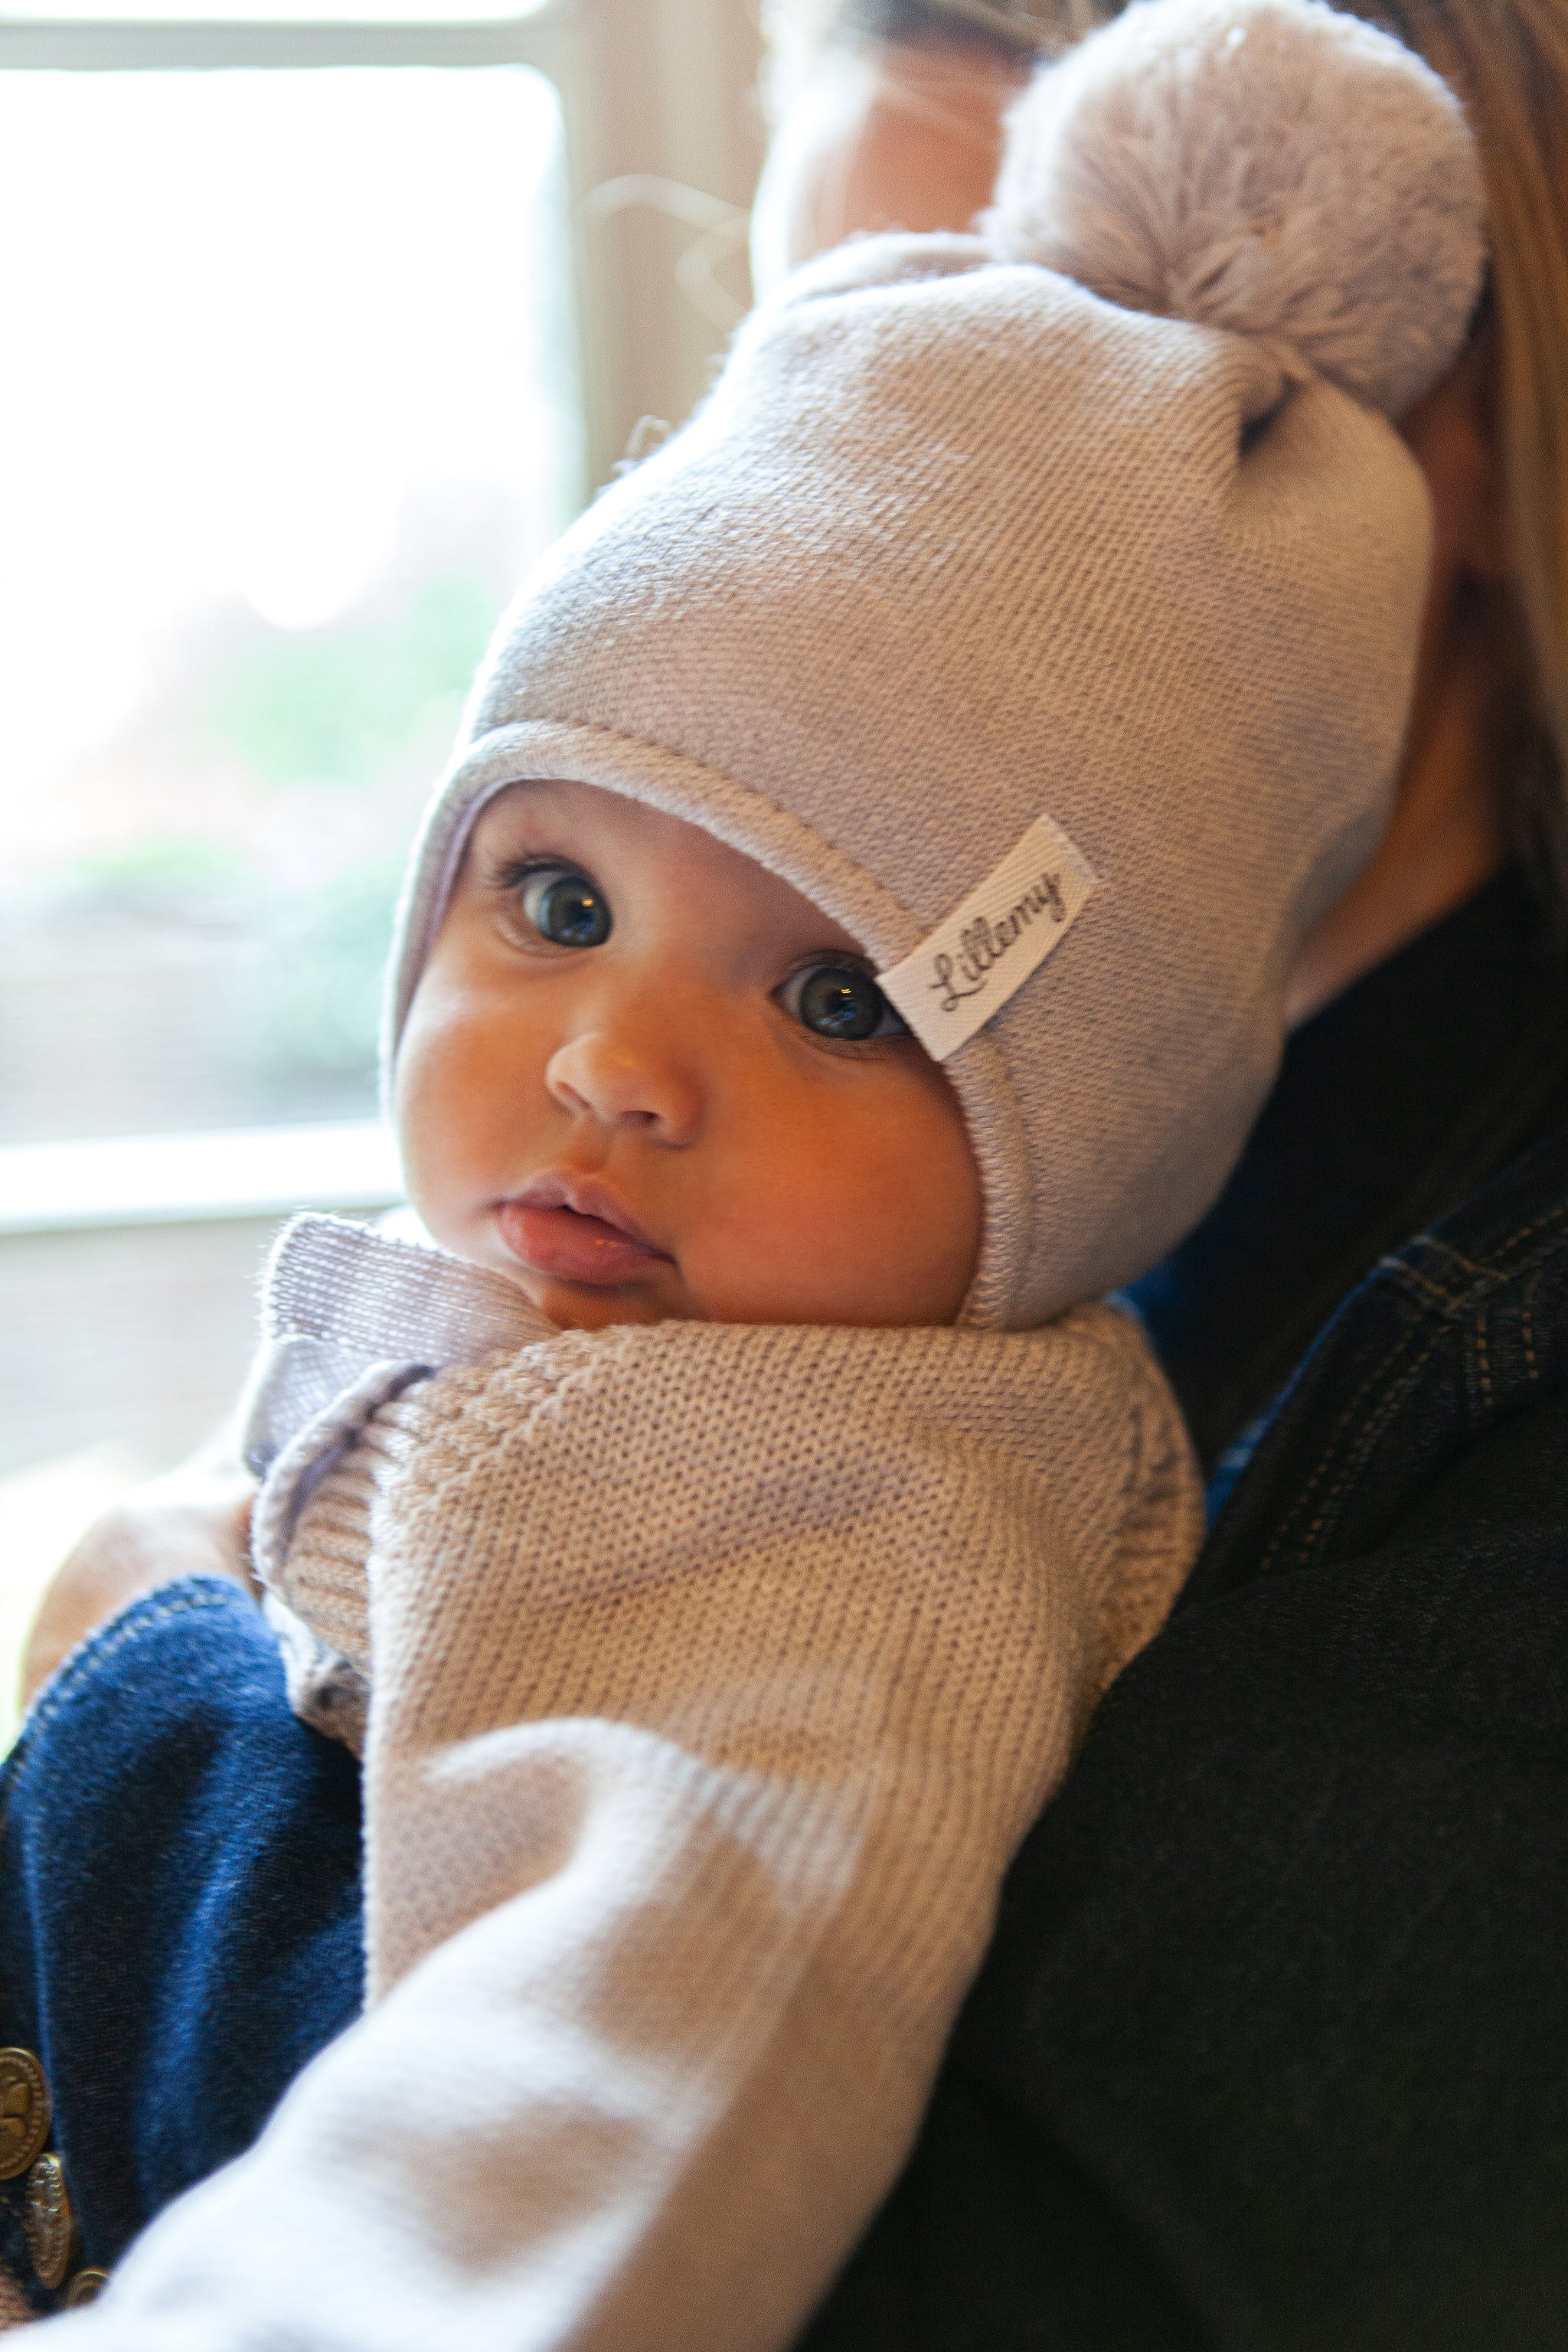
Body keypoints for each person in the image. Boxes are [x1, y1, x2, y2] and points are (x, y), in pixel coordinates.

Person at [5, 11, 1561, 2352]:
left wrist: (139, 1680)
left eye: (1037, 347)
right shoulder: (754, 1251)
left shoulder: (909, 1522)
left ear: (1411, 430)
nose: (871, 464)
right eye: (806, 362)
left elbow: (621, 2170)